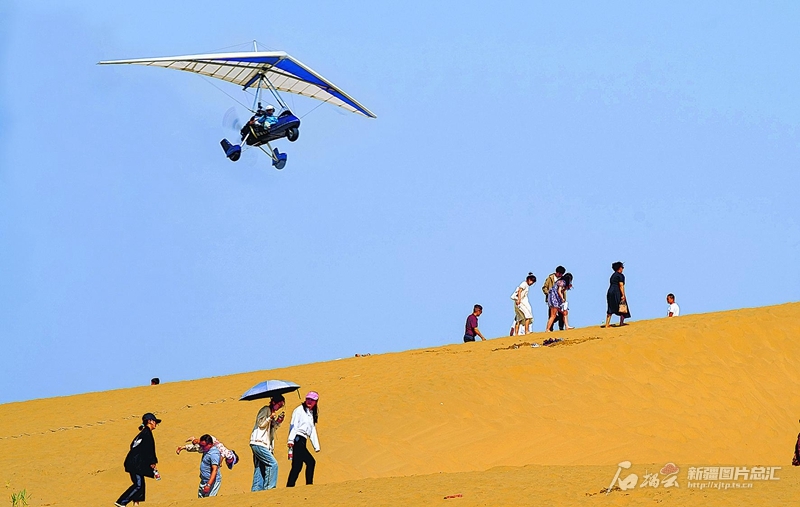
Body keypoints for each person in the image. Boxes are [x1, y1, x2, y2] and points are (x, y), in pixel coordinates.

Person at [115, 413, 161, 507]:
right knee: (138, 485)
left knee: (141, 485)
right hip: (135, 464)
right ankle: (121, 502)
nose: (156, 424)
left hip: (135, 462)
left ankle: (136, 504)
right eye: (155, 421)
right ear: (150, 421)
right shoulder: (147, 433)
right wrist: (152, 462)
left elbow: (132, 446)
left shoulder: (143, 433)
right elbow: (149, 449)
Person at [251, 395, 286, 491]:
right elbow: (261, 424)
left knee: (260, 468)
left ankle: (256, 491)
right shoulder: (266, 409)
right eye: (279, 404)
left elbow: (271, 429)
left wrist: (278, 422)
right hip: (259, 442)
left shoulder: (271, 412)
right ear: (274, 402)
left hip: (263, 444)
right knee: (273, 464)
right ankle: (269, 489)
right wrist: (270, 417)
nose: (280, 407)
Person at [286, 392, 321, 487]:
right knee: (311, 462)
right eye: (308, 399)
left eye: (312, 400)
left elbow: (312, 430)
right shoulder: (299, 410)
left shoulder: (311, 413)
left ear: (316, 402)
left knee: (297, 466)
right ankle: (309, 485)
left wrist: (316, 446)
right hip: (297, 439)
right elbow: (294, 425)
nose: (309, 401)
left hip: (303, 440)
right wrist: (290, 440)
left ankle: (289, 487)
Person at [604, 262, 631, 327]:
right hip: (616, 291)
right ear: (619, 268)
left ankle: (607, 324)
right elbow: (621, 285)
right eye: (622, 267)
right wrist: (623, 295)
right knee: (622, 305)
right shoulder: (620, 275)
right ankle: (621, 322)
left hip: (610, 291)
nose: (623, 269)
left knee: (610, 306)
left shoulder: (613, 275)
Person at [542, 267, 566, 331]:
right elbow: (544, 287)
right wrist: (549, 293)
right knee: (551, 315)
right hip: (552, 300)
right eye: (560, 273)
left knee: (562, 314)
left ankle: (561, 328)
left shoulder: (562, 279)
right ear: (557, 272)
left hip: (560, 299)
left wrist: (564, 298)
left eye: (562, 274)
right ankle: (550, 329)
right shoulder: (550, 278)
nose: (560, 275)